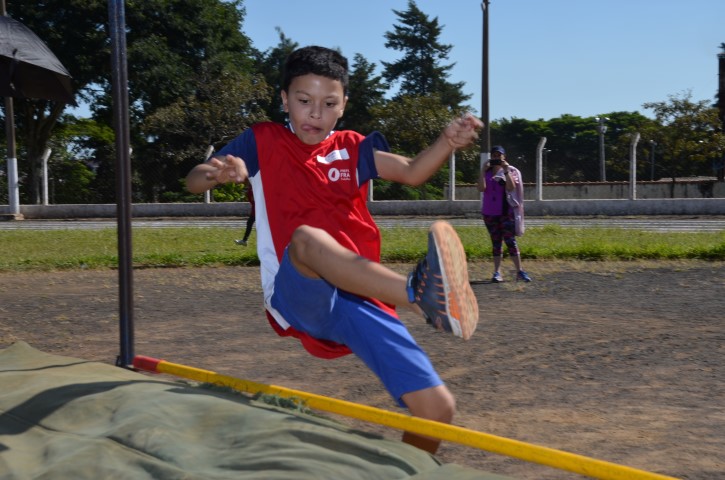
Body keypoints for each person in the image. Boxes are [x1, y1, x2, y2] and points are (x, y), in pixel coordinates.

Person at [186, 46, 482, 454]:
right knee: (307, 239)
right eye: (304, 102)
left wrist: (447, 141)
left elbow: (413, 172)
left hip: (362, 294)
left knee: (436, 408)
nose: (315, 114)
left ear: (344, 106)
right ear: (285, 99)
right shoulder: (262, 141)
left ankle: (423, 300)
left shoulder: (352, 147)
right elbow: (193, 180)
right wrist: (219, 174)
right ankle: (420, 296)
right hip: (297, 289)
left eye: (328, 104)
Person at [476, 145, 531, 283]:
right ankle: (497, 272)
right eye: (494, 155)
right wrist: (483, 171)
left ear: (504, 157)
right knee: (496, 243)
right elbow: (481, 188)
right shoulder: (487, 173)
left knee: (510, 241)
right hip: (489, 212)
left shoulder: (510, 171)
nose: (496, 157)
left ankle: (520, 271)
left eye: (499, 155)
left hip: (506, 212)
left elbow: (511, 187)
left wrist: (505, 170)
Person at [234, 180, 255, 246]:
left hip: (258, 210)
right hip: (255, 209)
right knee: (250, 223)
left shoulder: (254, 187)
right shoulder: (251, 187)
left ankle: (244, 240)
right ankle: (244, 240)